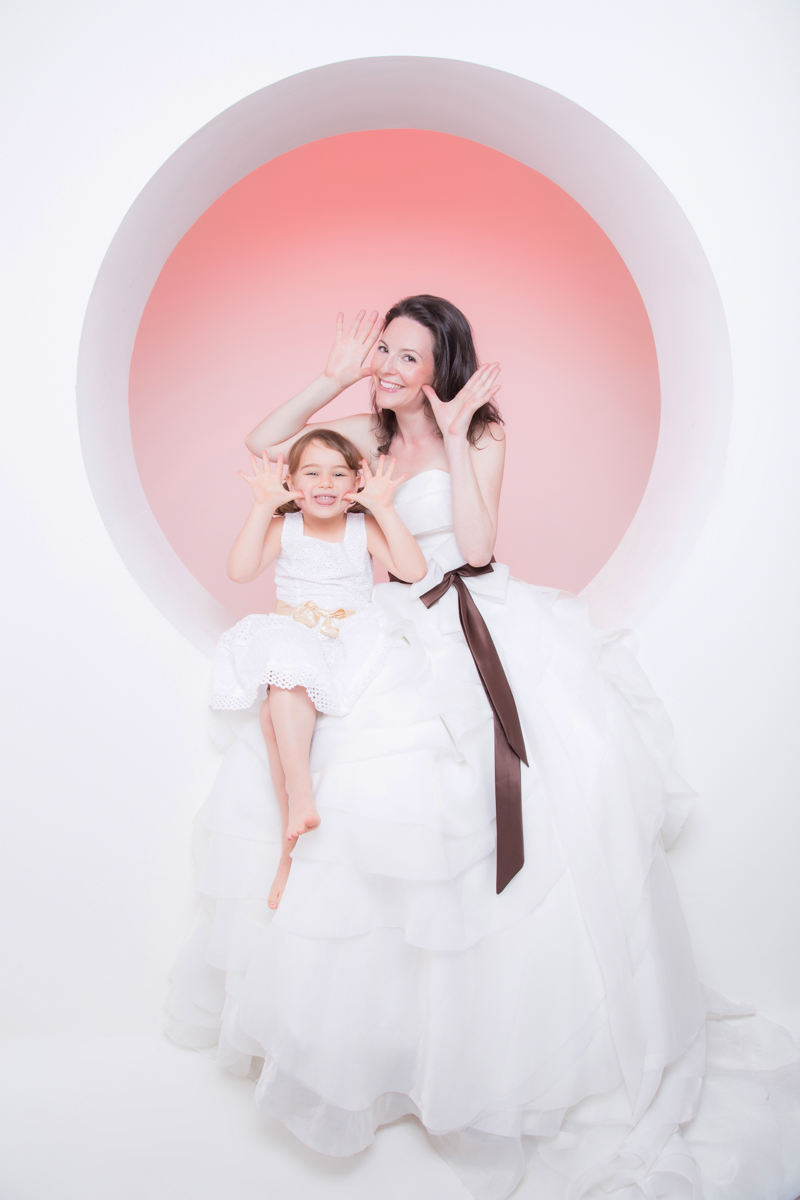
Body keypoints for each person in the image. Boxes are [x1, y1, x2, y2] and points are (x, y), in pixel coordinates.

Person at [167, 297, 800, 1200]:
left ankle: (496, 1044)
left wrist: (460, 438)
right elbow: (266, 442)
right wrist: (333, 377)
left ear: (443, 366)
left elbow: (476, 543)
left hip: (474, 610)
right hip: (390, 617)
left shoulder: (486, 431)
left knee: (532, 785)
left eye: (407, 357)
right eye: (383, 350)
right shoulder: (367, 430)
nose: (388, 368)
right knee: (380, 796)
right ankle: (389, 1040)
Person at [211, 428, 426, 909]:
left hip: (348, 641)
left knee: (274, 714)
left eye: (338, 473)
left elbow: (414, 572)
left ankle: (291, 840)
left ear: (356, 483)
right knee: (282, 677)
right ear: (291, 482)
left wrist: (385, 508)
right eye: (311, 472)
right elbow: (240, 571)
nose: (325, 482)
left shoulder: (362, 528)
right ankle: (297, 814)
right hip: (295, 638)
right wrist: (262, 506)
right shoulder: (284, 527)